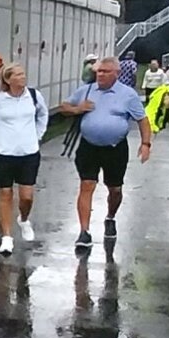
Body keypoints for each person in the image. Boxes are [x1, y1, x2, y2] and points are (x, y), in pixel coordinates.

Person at [58, 56, 152, 250]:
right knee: (87, 184)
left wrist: (145, 144)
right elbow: (64, 107)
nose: (100, 74)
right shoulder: (87, 90)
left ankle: (110, 216)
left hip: (115, 148)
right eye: (99, 71)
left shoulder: (127, 95)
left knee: (115, 189)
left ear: (116, 74)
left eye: (105, 71)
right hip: (89, 146)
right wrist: (77, 109)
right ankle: (84, 231)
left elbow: (142, 119)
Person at [0, 63, 50, 256]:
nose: (22, 77)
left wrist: (38, 133)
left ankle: (24, 219)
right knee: (5, 194)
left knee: (26, 196)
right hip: (4, 152)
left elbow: (43, 114)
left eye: (23, 73)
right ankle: (6, 236)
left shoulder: (33, 96)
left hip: (28, 152)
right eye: (17, 75)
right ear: (8, 79)